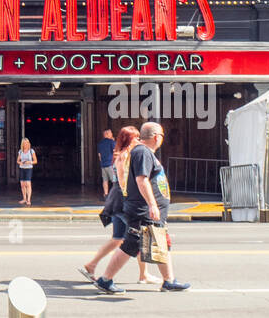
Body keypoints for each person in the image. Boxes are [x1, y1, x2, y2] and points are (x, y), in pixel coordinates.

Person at [95, 122, 190, 294]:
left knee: (160, 242)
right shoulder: (142, 152)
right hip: (143, 210)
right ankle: (105, 280)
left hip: (147, 211)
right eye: (161, 135)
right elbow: (142, 179)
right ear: (156, 137)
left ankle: (169, 280)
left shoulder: (143, 152)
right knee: (132, 244)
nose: (162, 138)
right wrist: (152, 205)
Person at [79, 126, 156, 287]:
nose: (139, 141)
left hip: (117, 202)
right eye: (136, 138)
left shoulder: (120, 155)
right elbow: (132, 181)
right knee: (138, 236)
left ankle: (92, 265)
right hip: (123, 202)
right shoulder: (126, 156)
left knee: (118, 238)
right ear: (131, 139)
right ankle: (141, 275)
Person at [16, 138, 38, 206]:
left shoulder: (31, 151)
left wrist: (29, 162)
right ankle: (24, 198)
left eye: (27, 143)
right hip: (22, 168)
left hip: (28, 168)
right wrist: (21, 163)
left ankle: (28, 200)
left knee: (28, 183)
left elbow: (35, 161)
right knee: (22, 184)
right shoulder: (20, 151)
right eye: (24, 143)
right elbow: (17, 161)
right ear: (22, 144)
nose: (26, 144)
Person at [98, 128, 117, 197]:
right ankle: (115, 195)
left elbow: (99, 155)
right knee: (114, 180)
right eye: (111, 133)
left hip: (103, 164)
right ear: (107, 134)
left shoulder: (100, 143)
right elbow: (115, 152)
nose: (112, 134)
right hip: (111, 164)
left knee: (105, 180)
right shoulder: (112, 142)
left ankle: (105, 194)